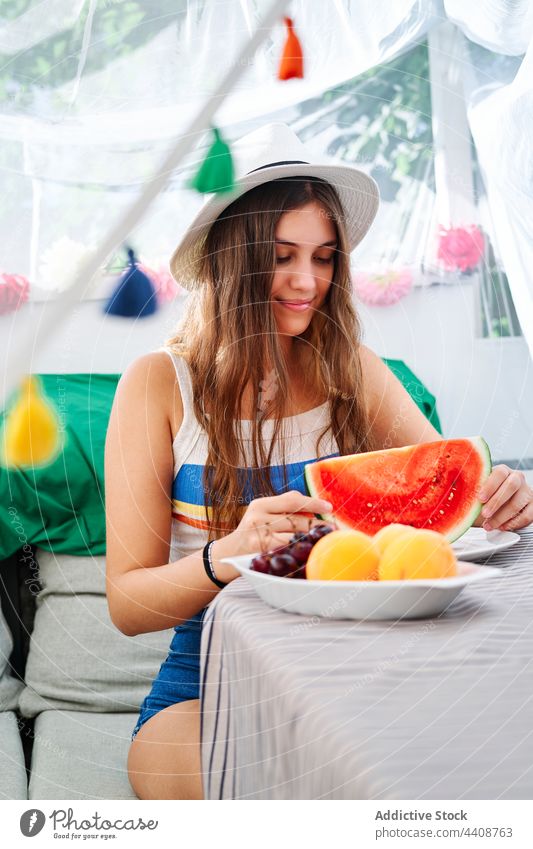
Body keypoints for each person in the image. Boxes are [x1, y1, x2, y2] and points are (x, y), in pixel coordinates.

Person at [104, 123, 533, 801]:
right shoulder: (157, 385)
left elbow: (451, 494)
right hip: (203, 680)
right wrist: (229, 555)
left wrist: (500, 491)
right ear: (232, 260)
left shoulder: (351, 369)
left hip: (358, 668)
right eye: (281, 256)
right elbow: (127, 603)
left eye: (325, 257)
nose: (308, 281)